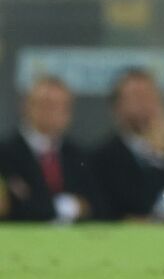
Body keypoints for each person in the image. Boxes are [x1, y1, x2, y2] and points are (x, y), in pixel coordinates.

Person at [88, 68, 164, 223]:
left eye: (149, 96)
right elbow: (115, 212)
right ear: (116, 107)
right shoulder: (101, 159)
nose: (144, 104)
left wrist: (160, 158)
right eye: (135, 97)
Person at [0, 76, 102, 223]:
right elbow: (13, 207)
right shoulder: (5, 154)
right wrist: (65, 207)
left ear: (69, 113)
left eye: (59, 106)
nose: (50, 112)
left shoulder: (79, 155)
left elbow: (97, 205)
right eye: (44, 104)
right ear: (26, 106)